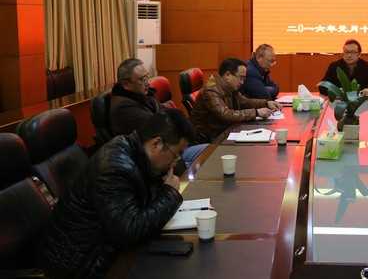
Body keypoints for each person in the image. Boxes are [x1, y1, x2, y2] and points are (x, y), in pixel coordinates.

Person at [39, 109, 191, 279]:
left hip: (106, 250)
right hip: (83, 265)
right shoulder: (115, 167)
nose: (175, 162)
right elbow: (129, 232)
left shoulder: (137, 153)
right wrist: (169, 193)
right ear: (156, 144)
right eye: (176, 155)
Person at [109, 58, 207, 168]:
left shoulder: (144, 96)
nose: (147, 83)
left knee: (210, 150)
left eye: (147, 77)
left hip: (172, 146)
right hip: (161, 157)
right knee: (208, 152)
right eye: (142, 79)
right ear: (126, 84)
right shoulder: (124, 108)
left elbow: (165, 116)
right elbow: (159, 127)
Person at [190, 58, 280, 142]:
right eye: (240, 78)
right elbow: (225, 114)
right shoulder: (211, 90)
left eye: (244, 79)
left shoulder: (230, 87)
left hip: (224, 131)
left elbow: (245, 102)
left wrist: (266, 103)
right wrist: (256, 112)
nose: (242, 82)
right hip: (210, 139)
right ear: (227, 75)